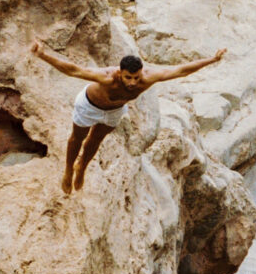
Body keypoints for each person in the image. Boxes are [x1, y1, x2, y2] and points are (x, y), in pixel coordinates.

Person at [30, 41, 226, 193]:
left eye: (136, 77)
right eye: (128, 77)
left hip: (114, 111)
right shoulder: (107, 77)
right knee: (77, 138)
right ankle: (68, 170)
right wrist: (43, 55)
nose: (133, 83)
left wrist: (212, 60)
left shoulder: (147, 78)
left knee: (95, 140)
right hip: (89, 106)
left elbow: (180, 71)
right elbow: (73, 70)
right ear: (119, 73)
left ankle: (82, 166)